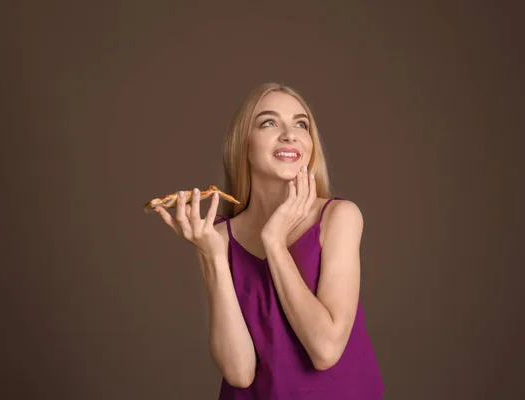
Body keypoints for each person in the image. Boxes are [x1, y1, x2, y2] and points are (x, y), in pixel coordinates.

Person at [154, 83, 384, 399]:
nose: (290, 134)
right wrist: (213, 257)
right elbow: (239, 372)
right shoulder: (218, 236)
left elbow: (325, 349)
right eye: (269, 122)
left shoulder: (339, 216)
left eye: (301, 124)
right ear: (243, 144)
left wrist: (274, 242)